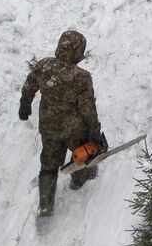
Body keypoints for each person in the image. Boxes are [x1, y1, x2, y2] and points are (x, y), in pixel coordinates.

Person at [19, 29, 107, 216]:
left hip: (48, 127)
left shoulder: (44, 66)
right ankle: (78, 179)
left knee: (49, 163)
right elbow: (88, 108)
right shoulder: (81, 77)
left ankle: (45, 204)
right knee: (81, 153)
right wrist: (95, 132)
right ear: (78, 51)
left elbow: (29, 86)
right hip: (74, 130)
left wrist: (24, 105)